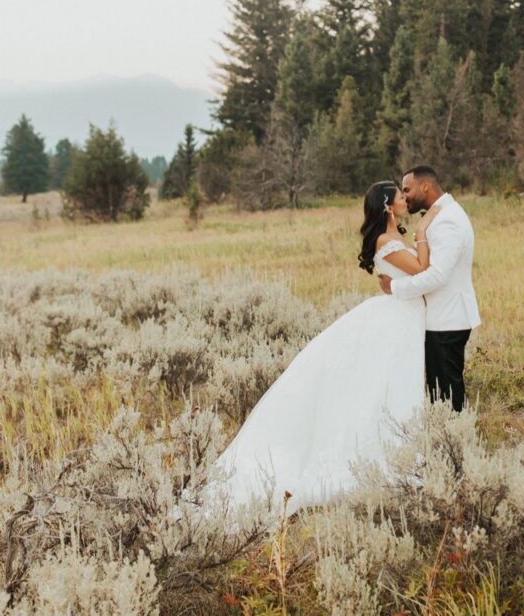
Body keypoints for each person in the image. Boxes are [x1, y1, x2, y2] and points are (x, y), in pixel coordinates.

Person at [179, 180, 443, 520]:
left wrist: (400, 275)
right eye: (400, 196)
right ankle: (381, 456)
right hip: (396, 319)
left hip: (402, 315)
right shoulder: (387, 240)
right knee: (385, 383)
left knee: (391, 384)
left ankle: (400, 449)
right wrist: (423, 233)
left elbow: (410, 275)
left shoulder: (393, 237)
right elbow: (422, 269)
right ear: (388, 206)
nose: (406, 199)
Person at [378, 166, 480, 412]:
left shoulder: (448, 220)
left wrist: (394, 287)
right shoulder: (441, 215)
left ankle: (453, 441)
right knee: (439, 392)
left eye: (407, 189)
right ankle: (448, 439)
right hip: (439, 318)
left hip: (446, 319)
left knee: (446, 394)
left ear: (425, 186)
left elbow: (437, 275)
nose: (405, 196)